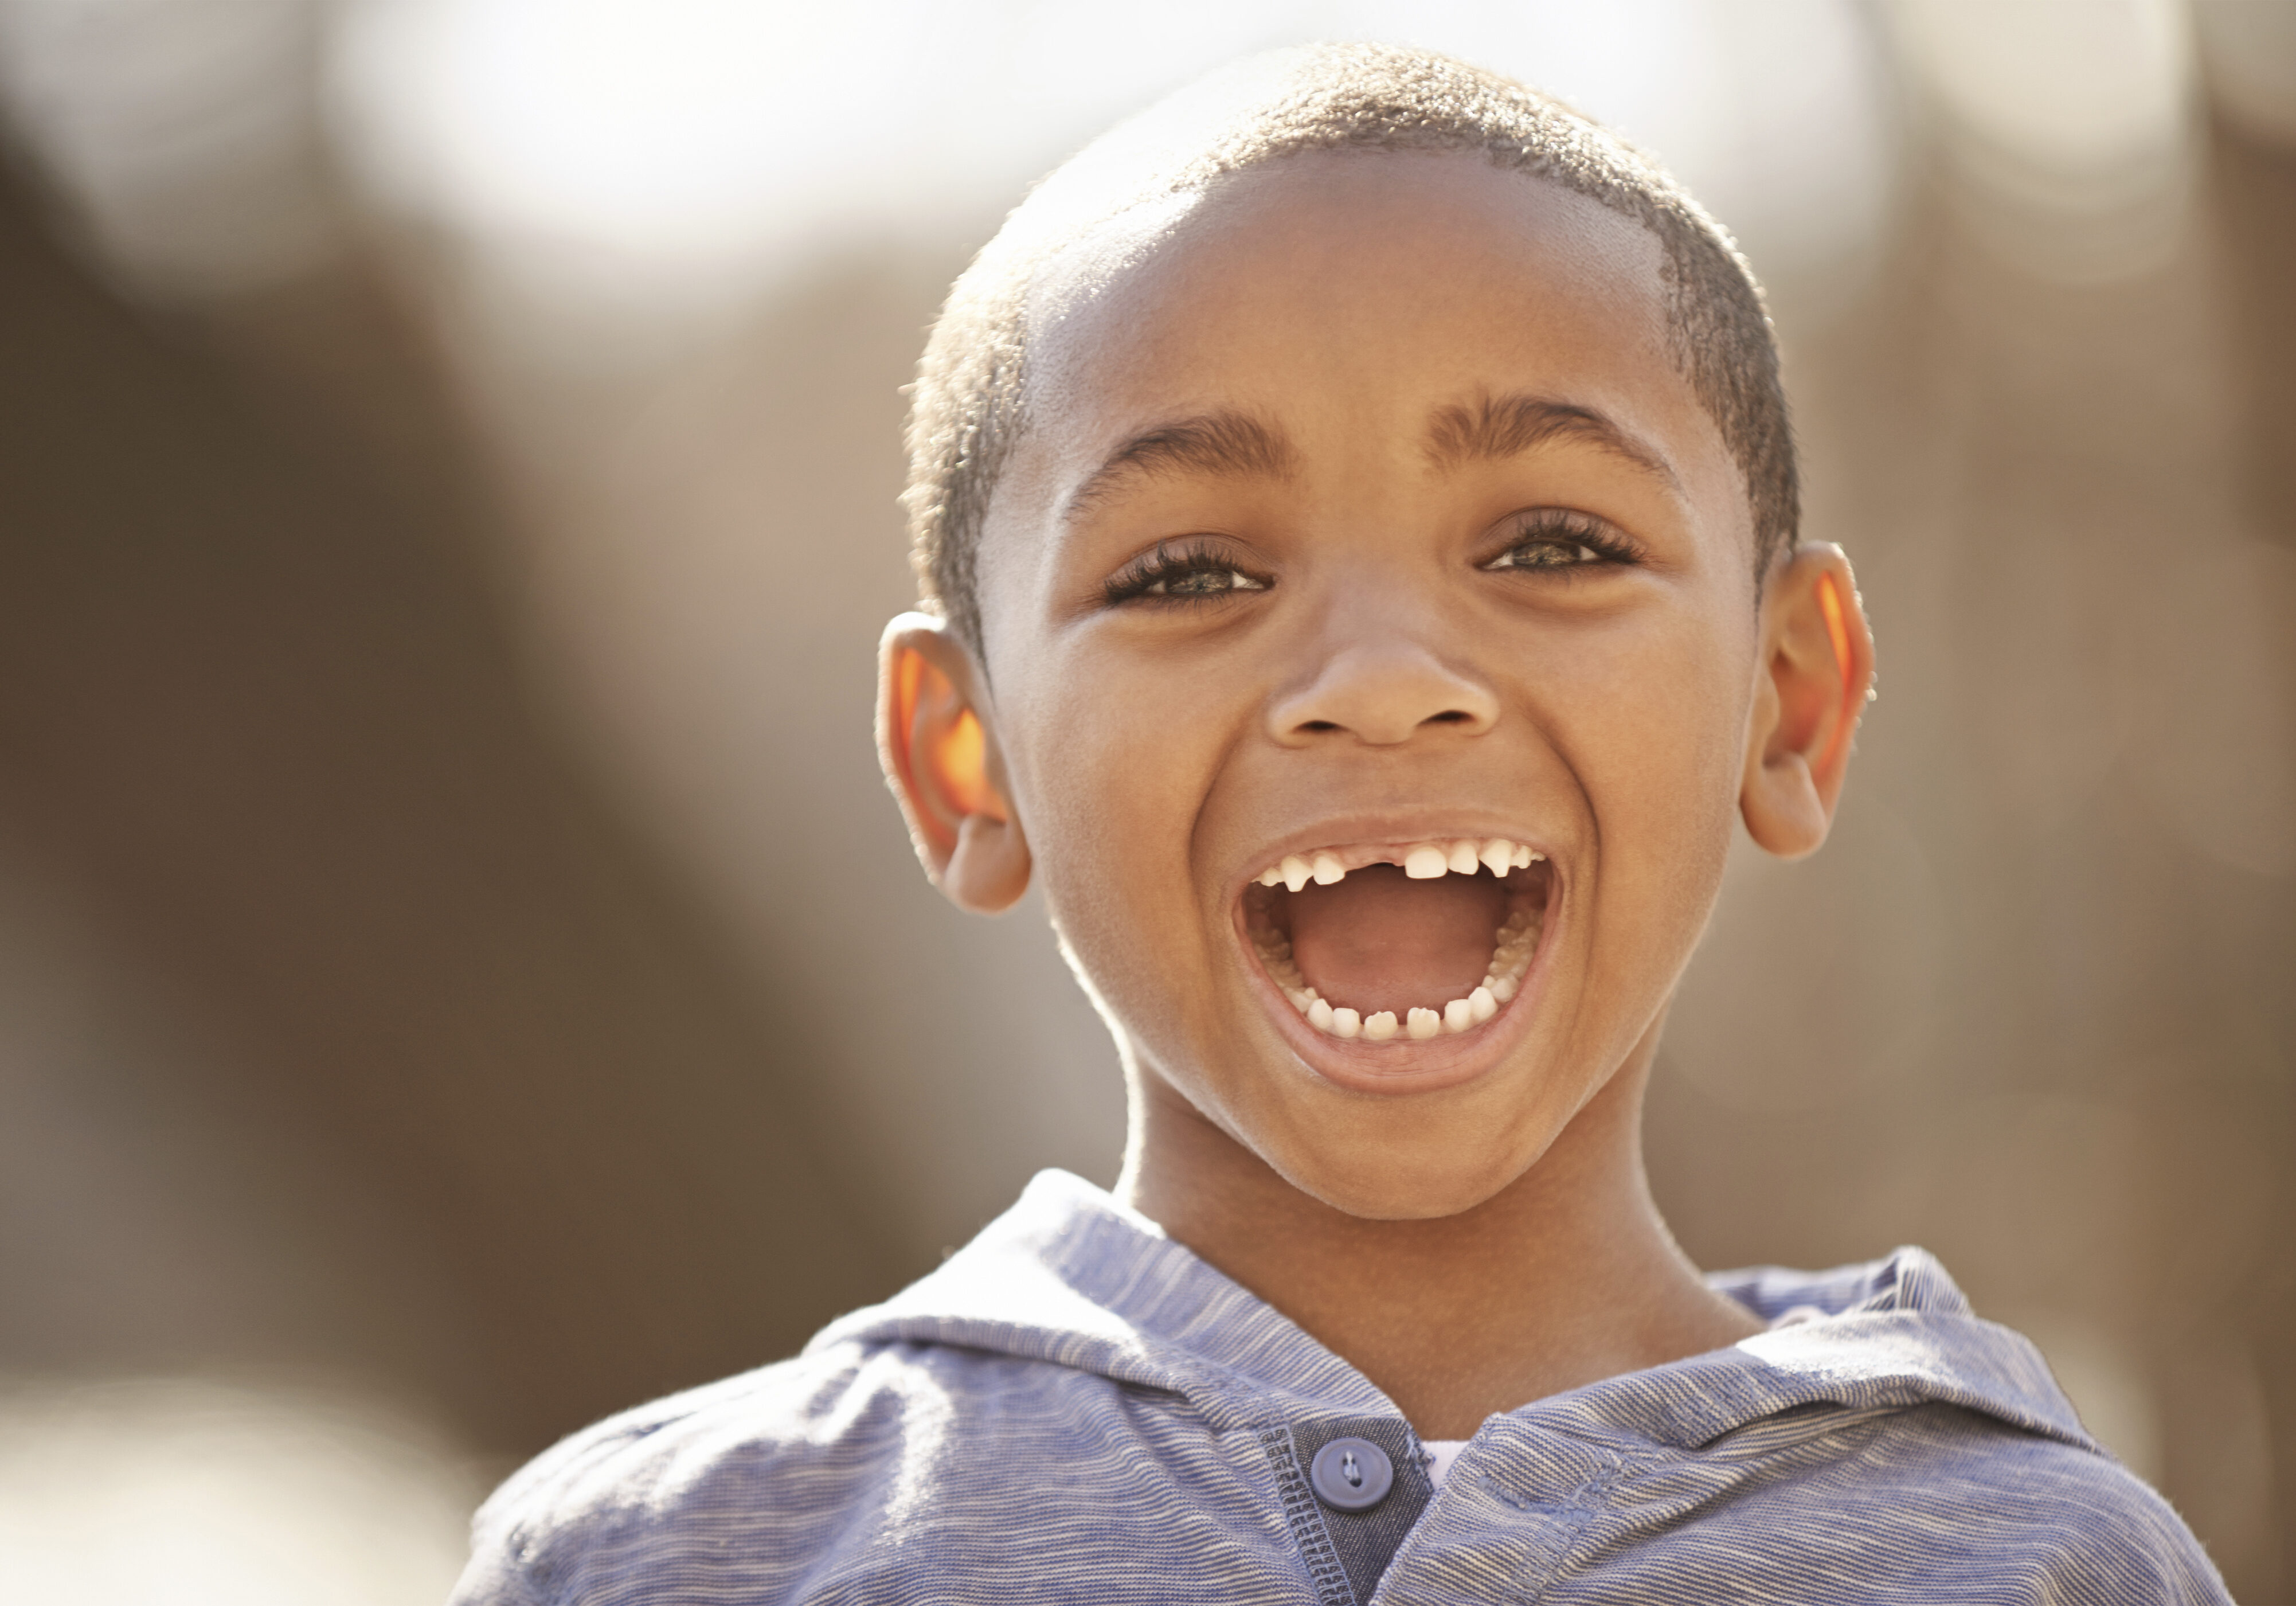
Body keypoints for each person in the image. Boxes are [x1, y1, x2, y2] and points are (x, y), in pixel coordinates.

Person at [449, 44, 2229, 1604]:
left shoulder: (2035, 1558)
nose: (1380, 680)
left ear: (1789, 700)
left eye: (1553, 545)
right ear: (963, 756)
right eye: (1188, 572)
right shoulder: (682, 1556)